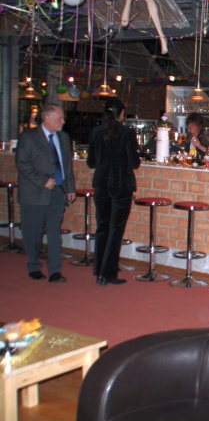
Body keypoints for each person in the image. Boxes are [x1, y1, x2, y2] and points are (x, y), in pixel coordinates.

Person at [15, 103, 76, 283]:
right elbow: (22, 163)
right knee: (33, 232)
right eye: (60, 118)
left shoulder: (63, 137)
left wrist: (70, 187)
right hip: (34, 192)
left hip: (58, 191)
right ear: (47, 118)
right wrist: (42, 180)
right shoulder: (28, 137)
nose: (63, 121)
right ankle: (33, 265)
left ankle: (55, 271)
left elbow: (66, 165)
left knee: (54, 231)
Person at [87, 98, 140, 286]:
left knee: (102, 227)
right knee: (115, 229)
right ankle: (108, 273)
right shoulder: (127, 132)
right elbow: (134, 163)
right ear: (121, 113)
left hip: (101, 184)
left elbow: (91, 162)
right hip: (121, 184)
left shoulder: (96, 132)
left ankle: (99, 271)